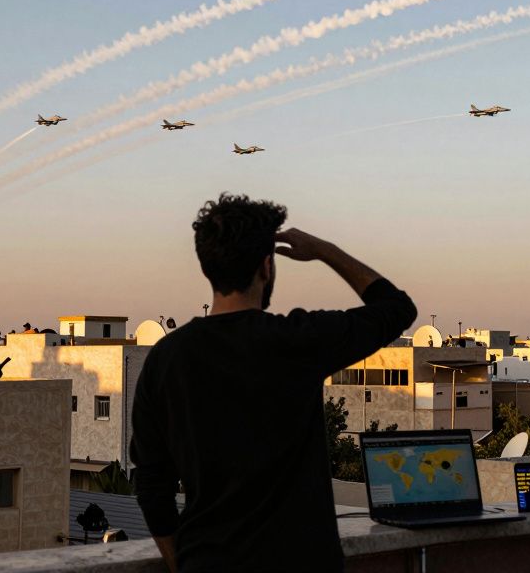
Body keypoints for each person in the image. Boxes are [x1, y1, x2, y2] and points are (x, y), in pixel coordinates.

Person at [130, 194, 417, 573]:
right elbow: (397, 308)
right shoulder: (298, 340)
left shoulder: (164, 359)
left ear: (207, 268)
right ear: (267, 266)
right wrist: (325, 251)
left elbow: (152, 486)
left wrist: (182, 564)